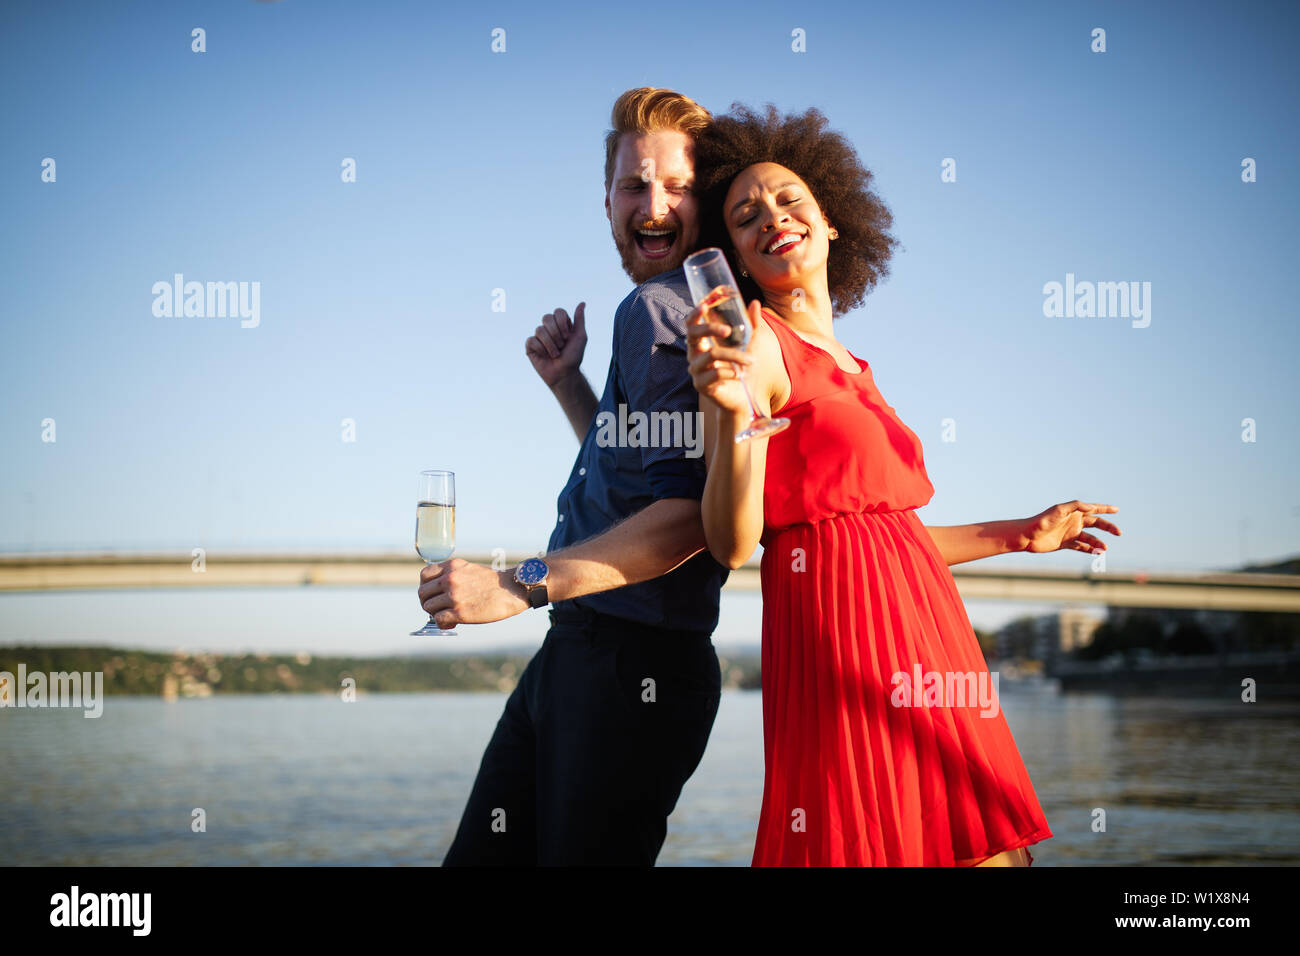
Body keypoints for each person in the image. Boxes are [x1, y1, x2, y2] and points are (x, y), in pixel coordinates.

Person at [685, 104, 1122, 866]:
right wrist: (727, 417)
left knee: (987, 844)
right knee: (882, 835)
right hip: (843, 637)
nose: (772, 217)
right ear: (739, 257)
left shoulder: (857, 367)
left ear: (832, 226)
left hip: (929, 627)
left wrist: (1023, 534)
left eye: (790, 200)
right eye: (746, 215)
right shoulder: (757, 346)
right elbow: (732, 542)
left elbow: (889, 538)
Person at [422, 88, 729, 865]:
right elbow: (639, 475)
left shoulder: (660, 310)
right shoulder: (675, 310)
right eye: (635, 184)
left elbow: (689, 517)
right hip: (589, 655)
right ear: (606, 202)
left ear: (708, 203)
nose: (653, 203)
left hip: (625, 667)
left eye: (678, 185)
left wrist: (518, 583)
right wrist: (571, 387)